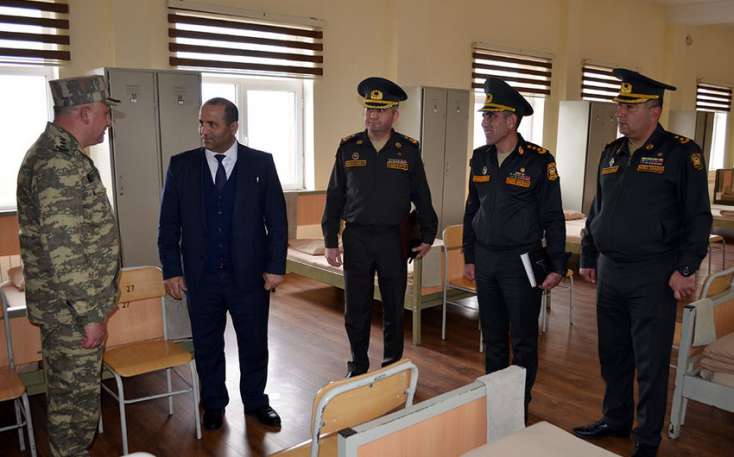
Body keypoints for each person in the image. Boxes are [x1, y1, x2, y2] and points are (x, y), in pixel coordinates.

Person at [573, 69, 712, 457]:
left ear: (655, 110)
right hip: (610, 270)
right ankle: (615, 419)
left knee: (650, 360)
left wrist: (686, 268)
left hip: (654, 272)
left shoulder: (681, 153)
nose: (620, 112)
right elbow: (597, 209)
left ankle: (647, 439)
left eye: (629, 107)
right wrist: (589, 254)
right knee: (613, 353)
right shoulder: (612, 152)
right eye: (620, 105)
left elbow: (698, 216)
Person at [158, 97, 287, 431]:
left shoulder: (260, 164)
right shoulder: (181, 166)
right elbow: (168, 224)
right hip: (201, 277)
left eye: (212, 124)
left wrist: (276, 266)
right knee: (207, 344)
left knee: (254, 342)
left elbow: (277, 220)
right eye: (201, 123)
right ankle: (213, 403)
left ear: (233, 127)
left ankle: (256, 401)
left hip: (249, 277)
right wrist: (172, 269)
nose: (204, 130)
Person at [16, 75, 121, 457]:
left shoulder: (63, 155)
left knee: (75, 399)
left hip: (70, 309)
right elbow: (65, 250)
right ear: (85, 112)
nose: (109, 121)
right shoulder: (57, 163)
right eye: (106, 112)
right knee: (73, 405)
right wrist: (90, 315)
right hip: (72, 313)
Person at [462, 77, 566, 418]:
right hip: (486, 259)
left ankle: (519, 405)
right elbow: (472, 209)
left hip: (521, 262)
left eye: (492, 116)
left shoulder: (538, 160)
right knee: (492, 336)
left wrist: (557, 265)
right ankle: (496, 401)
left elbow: (553, 216)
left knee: (523, 339)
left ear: (512, 120)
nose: (485, 122)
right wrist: (469, 255)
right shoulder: (480, 157)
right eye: (484, 115)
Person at [322, 77, 438, 377]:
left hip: (392, 239)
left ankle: (391, 366)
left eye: (380, 110)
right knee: (356, 307)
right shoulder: (349, 147)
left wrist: (428, 234)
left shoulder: (407, 150)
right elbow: (335, 196)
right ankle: (358, 365)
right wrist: (330, 241)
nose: (372, 115)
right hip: (357, 237)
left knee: (394, 307)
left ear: (394, 115)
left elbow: (422, 195)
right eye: (369, 109)